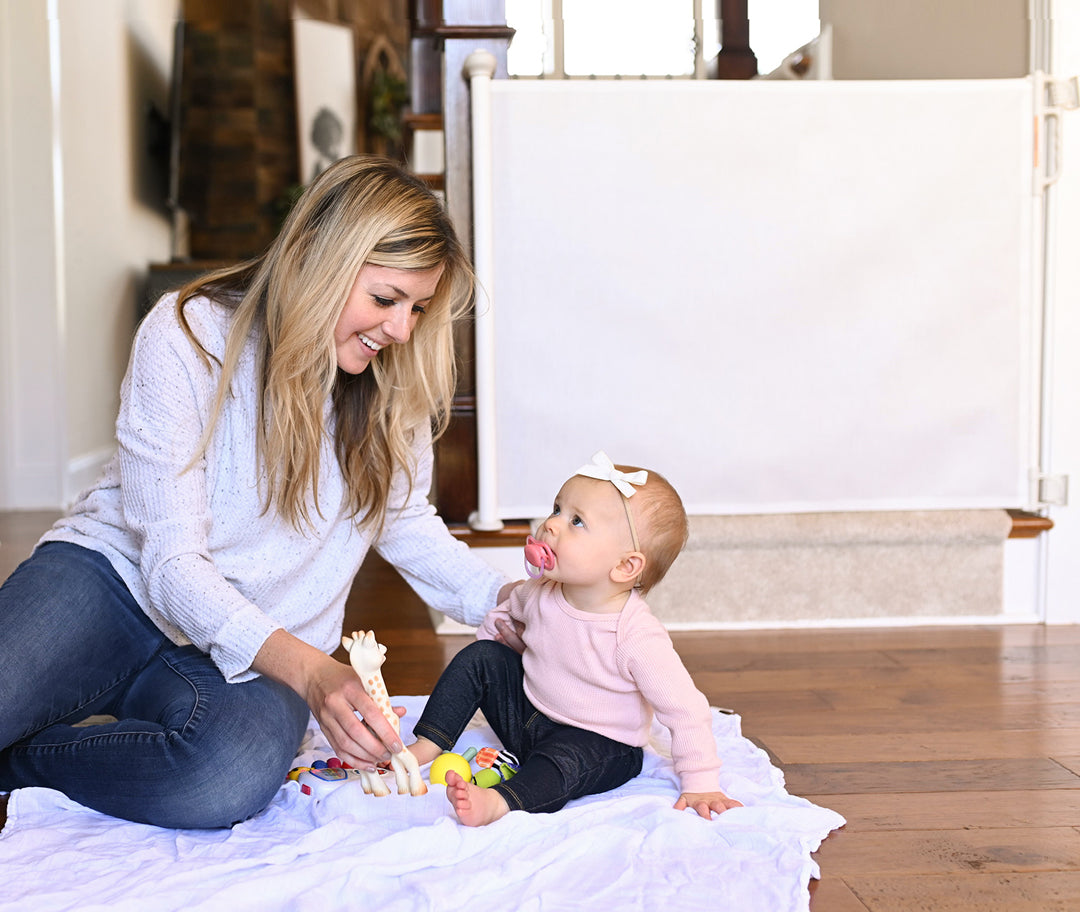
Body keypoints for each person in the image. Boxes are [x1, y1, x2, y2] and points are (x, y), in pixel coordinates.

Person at [0, 155, 516, 830]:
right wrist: (311, 673)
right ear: (318, 261)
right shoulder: (188, 334)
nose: (401, 330)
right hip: (116, 584)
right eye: (386, 299)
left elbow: (407, 523)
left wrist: (509, 604)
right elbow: (171, 565)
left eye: (418, 308)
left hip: (267, 635)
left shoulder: (392, 384)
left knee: (223, 778)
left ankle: (22, 764)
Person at [407, 451, 744, 827]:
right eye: (557, 509)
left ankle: (501, 801)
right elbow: (501, 619)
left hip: (600, 744)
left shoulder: (635, 635)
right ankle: (428, 743)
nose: (551, 525)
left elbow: (684, 710)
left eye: (577, 521)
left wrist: (701, 782)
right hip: (531, 717)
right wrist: (494, 666)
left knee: (563, 762)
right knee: (480, 655)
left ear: (624, 566)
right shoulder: (540, 590)